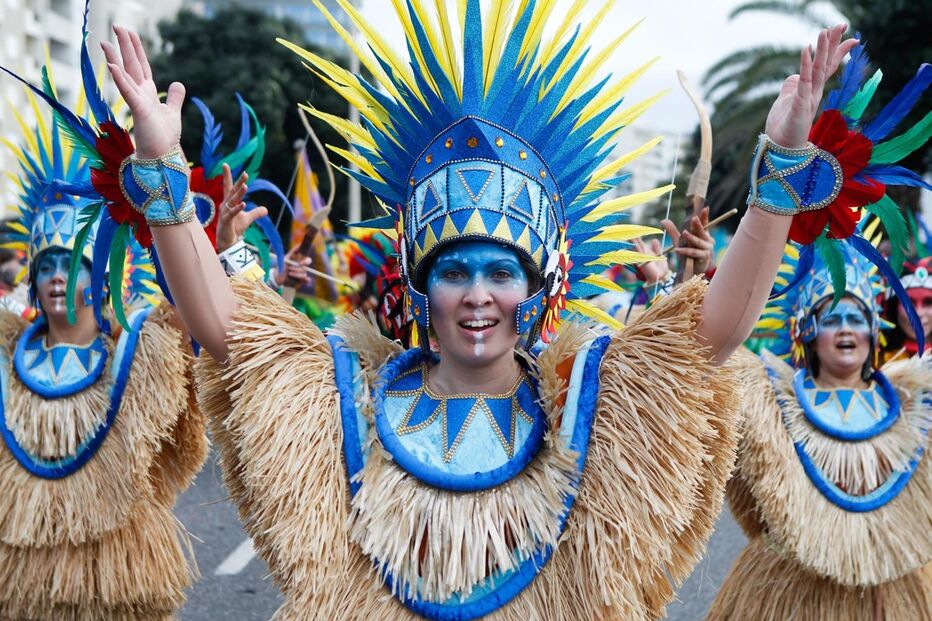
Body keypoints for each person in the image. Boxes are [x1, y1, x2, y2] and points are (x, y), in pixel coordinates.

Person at [85, 3, 866, 618]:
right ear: (423, 285)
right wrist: (162, 167)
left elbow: (711, 336)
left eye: (502, 270)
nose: (479, 293)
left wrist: (780, 174)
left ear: (535, 287)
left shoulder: (592, 408)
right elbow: (227, 332)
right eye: (455, 269)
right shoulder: (346, 400)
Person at [0, 96, 208, 619]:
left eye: (67, 264)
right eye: (44, 264)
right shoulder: (7, 353)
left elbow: (199, 325)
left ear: (96, 277)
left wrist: (218, 251)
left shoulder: (139, 355)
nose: (52, 277)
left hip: (111, 586)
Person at [707, 244, 931, 619]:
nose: (845, 328)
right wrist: (691, 280)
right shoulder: (767, 399)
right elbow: (700, 366)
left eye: (856, 318)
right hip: (784, 592)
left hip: (886, 590)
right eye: (831, 318)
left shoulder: (913, 402)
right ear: (807, 331)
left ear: (874, 330)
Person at [882, 256, 932, 361]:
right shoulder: (875, 361)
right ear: (893, 308)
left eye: (928, 302)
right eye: (908, 303)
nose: (919, 313)